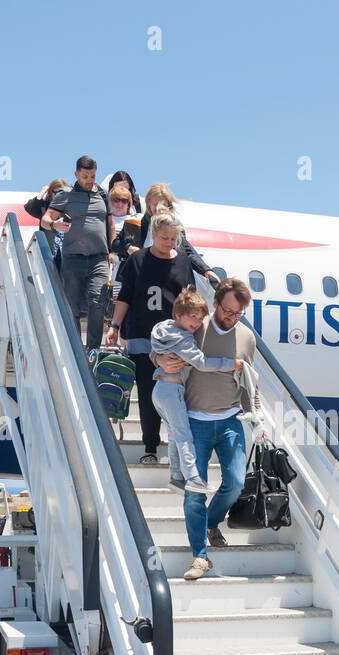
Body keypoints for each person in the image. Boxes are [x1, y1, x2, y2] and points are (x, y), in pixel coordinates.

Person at [154, 278, 259, 581]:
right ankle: (200, 557)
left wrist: (256, 414)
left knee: (236, 483)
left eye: (238, 313)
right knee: (193, 493)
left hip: (230, 420)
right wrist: (158, 358)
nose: (232, 318)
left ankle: (212, 522)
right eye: (227, 311)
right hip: (195, 421)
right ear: (215, 304)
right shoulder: (196, 327)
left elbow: (249, 379)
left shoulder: (246, 338)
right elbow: (160, 352)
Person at [105, 210, 207, 466]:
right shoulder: (137, 261)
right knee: (150, 395)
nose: (169, 243)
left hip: (177, 340)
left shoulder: (183, 262)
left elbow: (190, 302)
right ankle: (150, 447)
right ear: (153, 234)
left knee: (178, 396)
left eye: (173, 239)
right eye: (164, 238)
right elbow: (125, 297)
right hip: (142, 337)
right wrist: (114, 326)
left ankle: (181, 449)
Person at [150, 287, 244, 493]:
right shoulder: (183, 339)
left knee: (175, 435)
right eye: (193, 317)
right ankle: (193, 478)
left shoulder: (165, 329)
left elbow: (155, 351)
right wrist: (231, 364)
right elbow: (201, 363)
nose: (197, 323)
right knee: (183, 435)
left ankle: (176, 477)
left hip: (161, 390)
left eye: (201, 319)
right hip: (172, 391)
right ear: (178, 315)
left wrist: (158, 358)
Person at [43, 157, 115, 350]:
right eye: (85, 176)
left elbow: (110, 224)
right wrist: (54, 224)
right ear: (76, 175)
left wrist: (112, 249)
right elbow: (45, 218)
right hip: (73, 258)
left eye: (92, 176)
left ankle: (93, 349)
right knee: (73, 306)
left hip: (99, 257)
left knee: (97, 301)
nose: (89, 180)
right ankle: (75, 348)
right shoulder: (65, 195)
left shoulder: (102, 193)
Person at [132, 183, 218, 286]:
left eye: (163, 204)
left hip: (168, 278)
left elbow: (187, 253)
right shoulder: (140, 224)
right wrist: (128, 247)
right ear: (149, 204)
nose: (159, 208)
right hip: (144, 279)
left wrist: (206, 270)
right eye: (156, 204)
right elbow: (118, 243)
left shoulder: (175, 226)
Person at [24, 178, 69, 272]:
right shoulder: (45, 207)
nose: (59, 195)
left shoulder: (69, 208)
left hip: (67, 253)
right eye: (56, 192)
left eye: (62, 193)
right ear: (50, 193)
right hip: (50, 252)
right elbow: (30, 208)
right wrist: (43, 192)